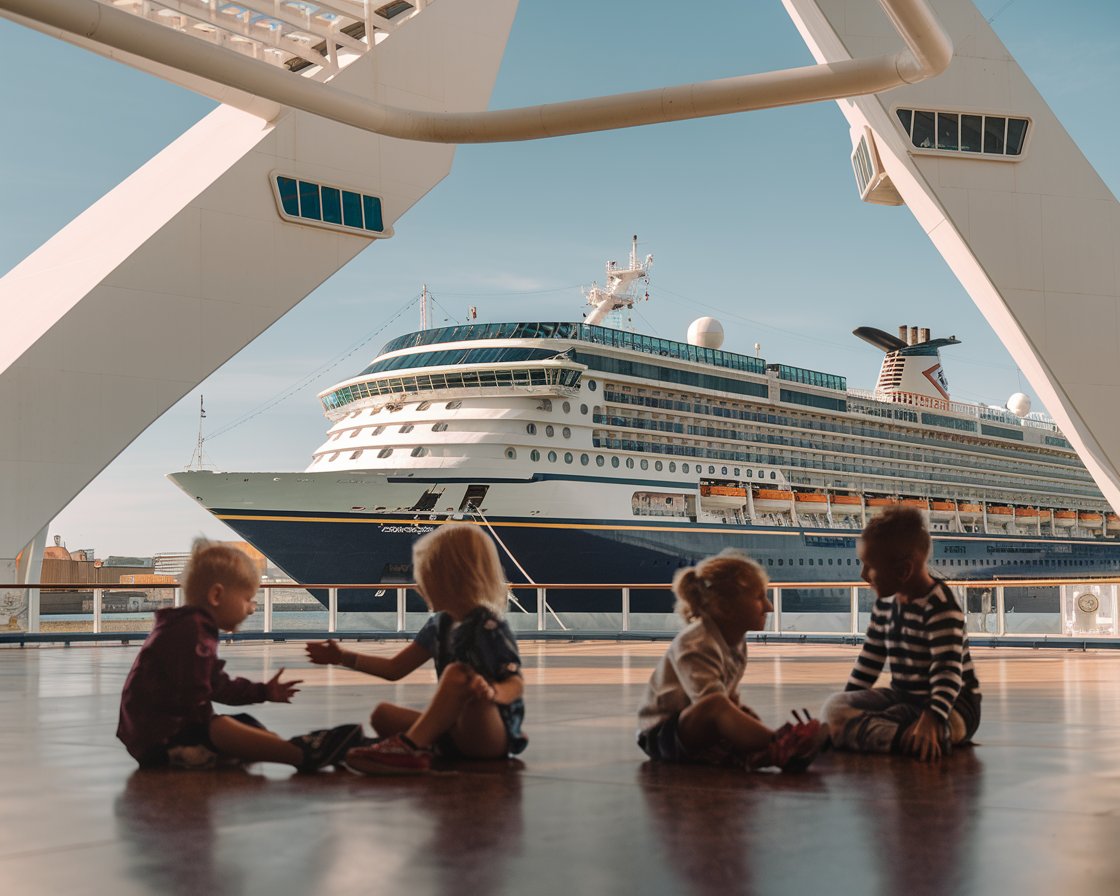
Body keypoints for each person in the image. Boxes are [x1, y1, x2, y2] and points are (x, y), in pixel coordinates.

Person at [117, 540, 362, 771]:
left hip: (159, 735)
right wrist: (214, 731)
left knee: (246, 724)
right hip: (161, 740)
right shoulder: (190, 630)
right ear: (217, 596)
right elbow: (194, 694)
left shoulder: (190, 627)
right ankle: (301, 754)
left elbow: (216, 685)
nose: (251, 608)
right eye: (247, 599)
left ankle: (291, 747)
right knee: (223, 728)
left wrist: (263, 692)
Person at [306, 524, 527, 774]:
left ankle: (408, 749)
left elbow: (515, 683)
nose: (418, 587)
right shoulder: (438, 626)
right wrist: (342, 657)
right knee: (383, 715)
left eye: (425, 578)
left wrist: (492, 692)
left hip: (488, 737)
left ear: (452, 580)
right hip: (457, 731)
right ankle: (417, 748)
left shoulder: (488, 627)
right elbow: (394, 669)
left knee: (457, 674)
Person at [636, 549, 827, 772]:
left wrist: (746, 723)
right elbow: (709, 704)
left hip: (689, 726)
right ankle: (778, 744)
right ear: (726, 607)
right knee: (716, 705)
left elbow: (730, 699)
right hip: (662, 736)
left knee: (740, 713)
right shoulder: (696, 643)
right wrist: (755, 734)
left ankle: (761, 753)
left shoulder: (735, 640)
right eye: (759, 597)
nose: (769, 607)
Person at [821, 506, 982, 760]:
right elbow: (868, 663)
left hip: (954, 703)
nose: (863, 575)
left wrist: (932, 716)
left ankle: (900, 734)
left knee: (954, 725)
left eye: (870, 567)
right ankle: (904, 736)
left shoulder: (940, 606)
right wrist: (850, 699)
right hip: (903, 697)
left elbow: (948, 672)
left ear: (903, 571)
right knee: (834, 707)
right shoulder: (885, 605)